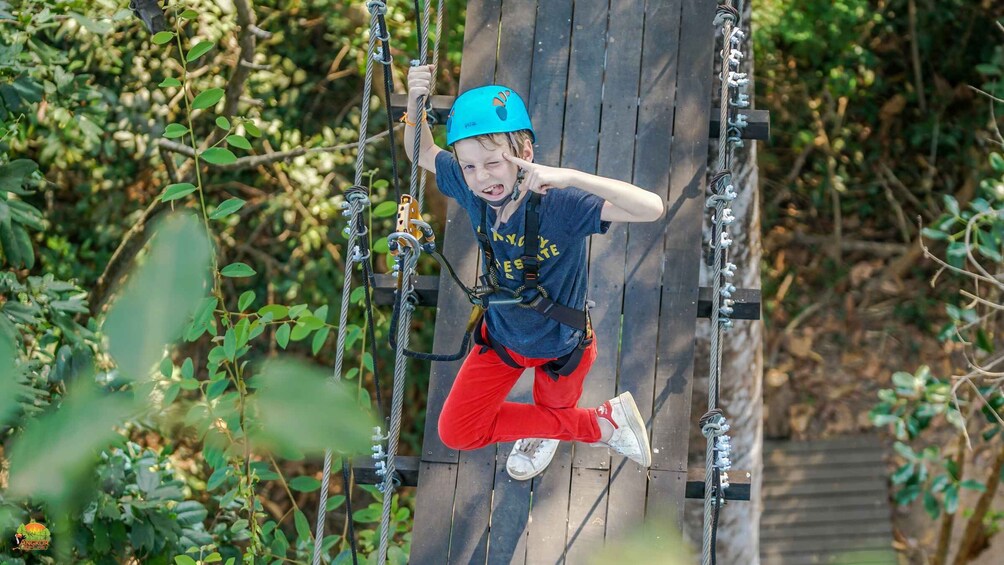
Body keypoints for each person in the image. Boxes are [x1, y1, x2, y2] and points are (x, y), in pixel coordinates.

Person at [403, 64, 664, 480]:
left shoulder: (560, 204)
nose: (482, 178)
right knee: (457, 431)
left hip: (562, 345)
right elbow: (422, 151)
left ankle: (548, 426)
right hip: (502, 337)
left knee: (553, 409)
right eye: (469, 167)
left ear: (525, 154)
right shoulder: (473, 192)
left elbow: (651, 208)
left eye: (493, 163)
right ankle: (600, 424)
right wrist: (416, 101)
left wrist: (571, 177)